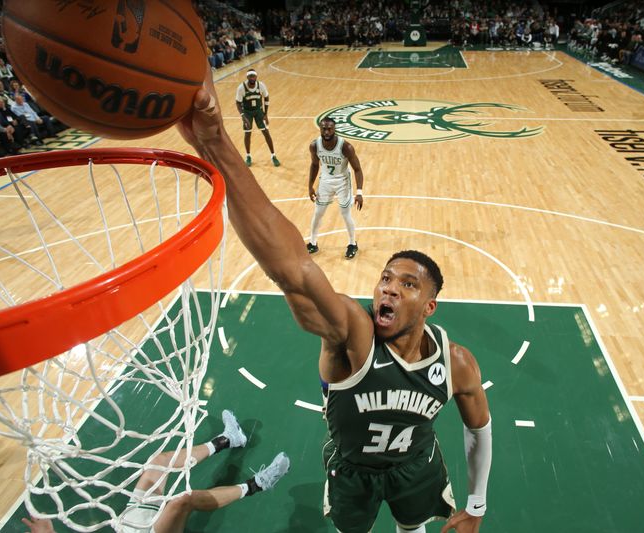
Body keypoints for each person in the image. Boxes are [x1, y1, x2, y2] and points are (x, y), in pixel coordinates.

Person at [177, 66, 492, 533]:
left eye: (407, 284)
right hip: (353, 471)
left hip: (417, 465)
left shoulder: (457, 362)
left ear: (429, 307)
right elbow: (293, 270)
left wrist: (478, 505)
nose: (388, 287)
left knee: (413, 526)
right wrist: (215, 142)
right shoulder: (353, 333)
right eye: (386, 277)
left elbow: (478, 429)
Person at [21, 410, 290, 533]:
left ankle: (229, 439)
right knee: (182, 501)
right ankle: (258, 484)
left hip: (129, 525)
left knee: (158, 461)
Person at [307, 117, 364, 259]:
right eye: (324, 128)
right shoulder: (315, 145)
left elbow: (357, 169)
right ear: (320, 129)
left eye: (329, 128)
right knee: (318, 212)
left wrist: (359, 192)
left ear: (334, 129)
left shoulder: (345, 147)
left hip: (343, 181)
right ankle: (312, 243)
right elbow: (314, 165)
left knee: (345, 213)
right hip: (325, 181)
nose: (326, 132)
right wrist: (310, 186)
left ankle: (352, 243)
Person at [234, 70, 279, 167]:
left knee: (266, 133)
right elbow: (238, 103)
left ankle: (273, 156)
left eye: (253, 76)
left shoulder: (261, 85)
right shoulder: (241, 88)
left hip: (258, 111)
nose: (252, 78)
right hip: (247, 112)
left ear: (256, 77)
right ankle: (248, 156)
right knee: (247, 133)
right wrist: (243, 116)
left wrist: (265, 114)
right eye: (250, 76)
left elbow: (266, 97)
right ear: (247, 77)